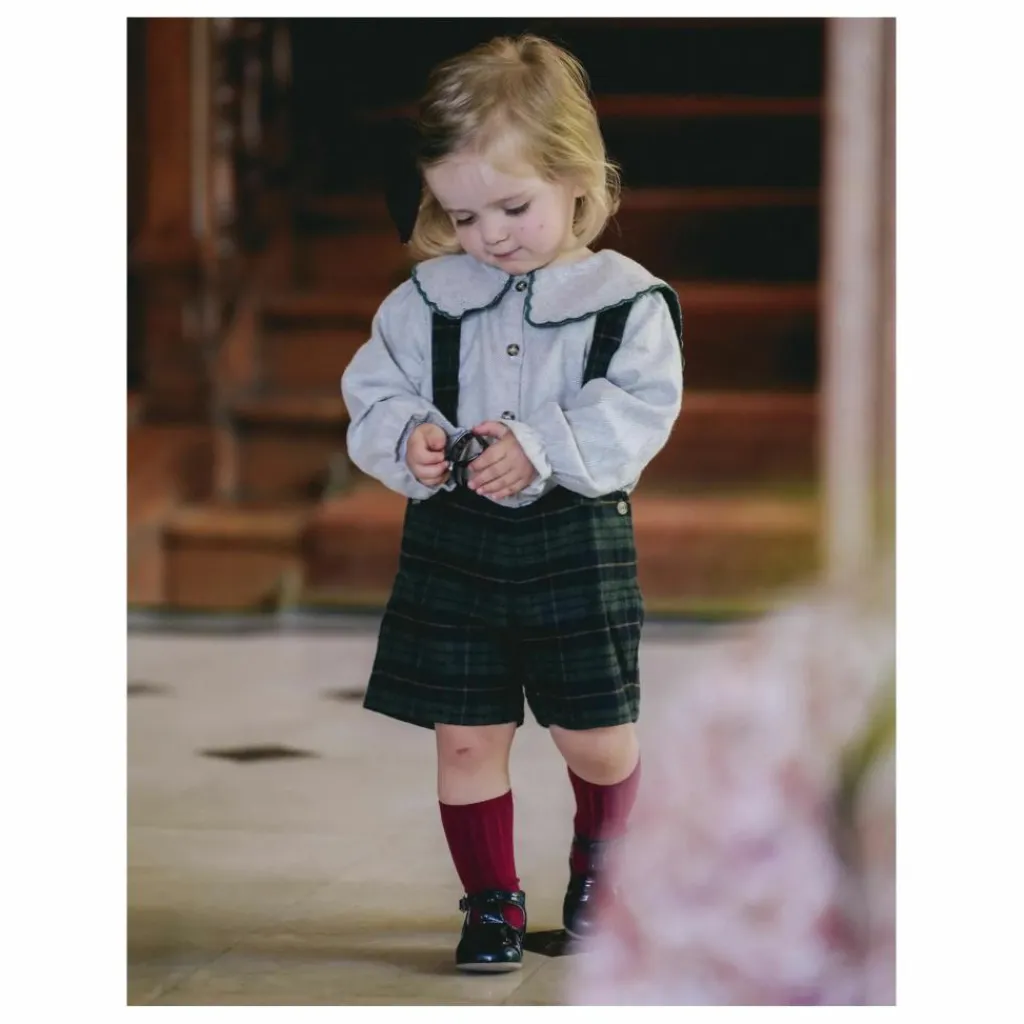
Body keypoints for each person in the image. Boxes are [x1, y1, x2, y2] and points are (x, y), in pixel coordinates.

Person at [341, 34, 684, 973]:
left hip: (576, 540)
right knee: (465, 738)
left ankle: (602, 877)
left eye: (513, 207)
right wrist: (408, 436)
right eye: (462, 214)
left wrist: (542, 446)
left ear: (577, 181)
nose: (489, 234)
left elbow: (640, 408)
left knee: (596, 738)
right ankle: (491, 904)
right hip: (455, 545)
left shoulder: (627, 302)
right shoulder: (426, 298)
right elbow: (376, 390)